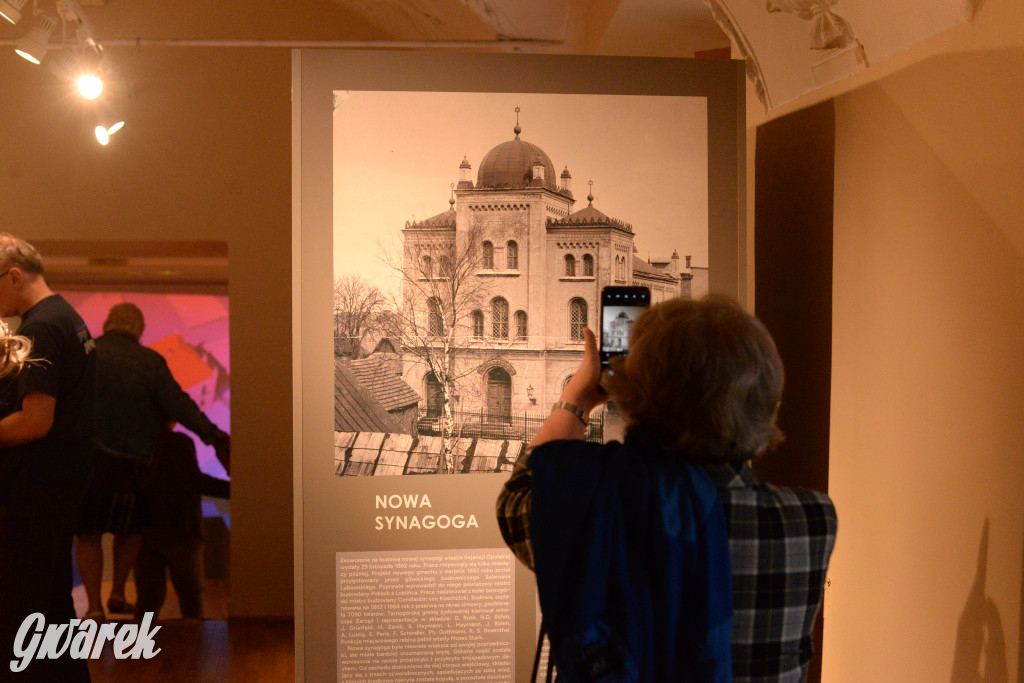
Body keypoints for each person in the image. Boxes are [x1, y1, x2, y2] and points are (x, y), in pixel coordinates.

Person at [497, 295, 838, 683]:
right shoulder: (812, 520)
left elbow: (517, 494)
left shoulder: (595, 514)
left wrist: (577, 398)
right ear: (765, 398)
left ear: (634, 393)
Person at [75, 302, 229, 621]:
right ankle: (118, 590)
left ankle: (93, 607)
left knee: (87, 535)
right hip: (131, 467)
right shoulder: (149, 361)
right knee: (129, 531)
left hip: (87, 463)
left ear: (108, 323)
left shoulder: (84, 355)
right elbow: (179, 405)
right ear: (139, 330)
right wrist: (213, 435)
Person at [0, 232, 96, 683]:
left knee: (26, 609)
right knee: (53, 606)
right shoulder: (69, 318)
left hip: (37, 488)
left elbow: (34, 422)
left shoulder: (40, 327)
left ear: (14, 276)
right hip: (63, 482)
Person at [133, 422, 229, 620]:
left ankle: (139, 647)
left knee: (148, 598)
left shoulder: (133, 443)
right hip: (182, 528)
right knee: (190, 596)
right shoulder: (179, 442)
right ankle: (194, 645)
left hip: (142, 530)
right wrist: (235, 487)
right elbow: (193, 480)